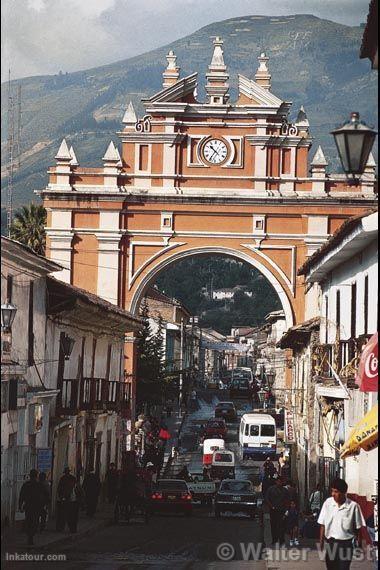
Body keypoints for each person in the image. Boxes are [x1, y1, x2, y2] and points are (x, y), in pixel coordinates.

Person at [318, 478, 366, 570]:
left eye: (336, 492)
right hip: (331, 544)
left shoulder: (353, 506)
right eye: (332, 491)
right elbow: (322, 524)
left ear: (344, 493)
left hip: (346, 545)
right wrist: (321, 544)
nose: (333, 494)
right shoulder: (327, 503)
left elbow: (358, 528)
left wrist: (359, 546)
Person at [19, 469, 46, 546]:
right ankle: (30, 536)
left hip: (30, 506)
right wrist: (44, 504)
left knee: (30, 521)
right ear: (36, 476)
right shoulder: (39, 485)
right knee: (34, 522)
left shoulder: (27, 485)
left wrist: (20, 505)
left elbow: (21, 496)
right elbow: (46, 496)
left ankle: (30, 536)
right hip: (35, 507)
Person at [265, 476, 290, 546]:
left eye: (281, 481)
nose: (279, 483)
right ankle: (274, 539)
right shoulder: (271, 489)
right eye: (278, 481)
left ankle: (281, 540)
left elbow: (288, 501)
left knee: (282, 525)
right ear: (276, 482)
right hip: (273, 510)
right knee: (273, 525)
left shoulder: (285, 491)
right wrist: (271, 506)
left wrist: (287, 510)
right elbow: (267, 499)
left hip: (282, 510)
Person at [56, 467, 82, 533]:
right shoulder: (72, 479)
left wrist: (61, 498)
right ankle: (72, 529)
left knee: (63, 516)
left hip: (68, 500)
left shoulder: (64, 479)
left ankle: (62, 528)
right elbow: (78, 489)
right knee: (71, 516)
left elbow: (59, 489)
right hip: (71, 500)